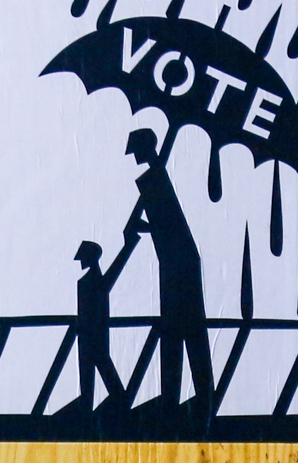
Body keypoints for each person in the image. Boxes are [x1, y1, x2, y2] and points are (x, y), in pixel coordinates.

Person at [121, 128, 213, 411]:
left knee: (183, 330)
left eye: (136, 151)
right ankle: (180, 397)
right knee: (180, 330)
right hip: (175, 262)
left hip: (178, 264)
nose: (134, 156)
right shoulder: (154, 177)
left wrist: (138, 225)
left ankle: (188, 397)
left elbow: (166, 225)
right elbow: (162, 224)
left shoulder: (154, 179)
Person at [71, 240, 123, 410]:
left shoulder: (93, 281)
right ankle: (92, 409)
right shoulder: (90, 281)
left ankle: (118, 406)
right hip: (89, 335)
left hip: (91, 336)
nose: (81, 261)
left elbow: (113, 274)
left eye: (83, 257)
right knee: (95, 374)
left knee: (99, 372)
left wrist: (128, 246)